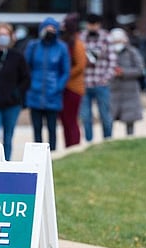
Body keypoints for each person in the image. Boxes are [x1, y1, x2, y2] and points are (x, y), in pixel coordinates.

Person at [0, 22, 30, 161]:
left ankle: (7, 164)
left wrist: (17, 93)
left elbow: (25, 78)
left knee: (8, 137)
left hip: (12, 104)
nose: (3, 37)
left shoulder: (17, 57)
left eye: (5, 35)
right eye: (0, 34)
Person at [25, 17, 70, 151]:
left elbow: (65, 71)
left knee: (52, 128)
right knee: (37, 129)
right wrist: (30, 86)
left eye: (53, 29)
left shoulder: (62, 48)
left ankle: (52, 156)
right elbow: (26, 68)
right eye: (47, 29)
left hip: (53, 94)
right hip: (35, 93)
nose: (50, 31)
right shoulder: (33, 46)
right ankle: (37, 157)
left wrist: (58, 87)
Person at [80, 13, 117, 141]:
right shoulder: (81, 38)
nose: (92, 27)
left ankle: (108, 140)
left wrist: (106, 78)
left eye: (94, 24)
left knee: (105, 115)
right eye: (90, 24)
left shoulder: (106, 37)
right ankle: (89, 142)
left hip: (101, 83)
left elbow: (112, 61)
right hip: (85, 83)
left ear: (99, 25)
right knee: (85, 116)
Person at [109, 28, 145, 135]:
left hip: (130, 92)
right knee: (109, 119)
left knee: (129, 121)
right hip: (113, 91)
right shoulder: (108, 53)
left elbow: (140, 70)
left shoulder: (132, 52)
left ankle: (130, 139)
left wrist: (123, 72)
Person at [59, 13, 86, 147]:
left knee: (71, 120)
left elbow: (81, 65)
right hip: (63, 88)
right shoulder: (65, 42)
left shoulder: (78, 44)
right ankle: (68, 145)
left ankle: (74, 146)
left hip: (73, 88)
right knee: (65, 120)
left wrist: (65, 75)